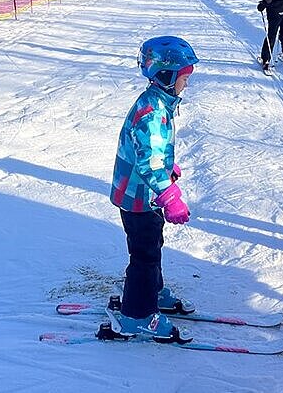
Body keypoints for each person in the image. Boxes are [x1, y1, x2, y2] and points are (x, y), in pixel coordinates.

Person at [107, 36, 199, 341]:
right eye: (184, 78)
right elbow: (149, 164)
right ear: (166, 75)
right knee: (144, 256)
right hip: (139, 197)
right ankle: (136, 315)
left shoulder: (158, 103)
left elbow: (148, 153)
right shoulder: (154, 113)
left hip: (141, 194)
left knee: (151, 246)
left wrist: (166, 166)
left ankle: (153, 294)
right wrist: (170, 196)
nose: (186, 83)